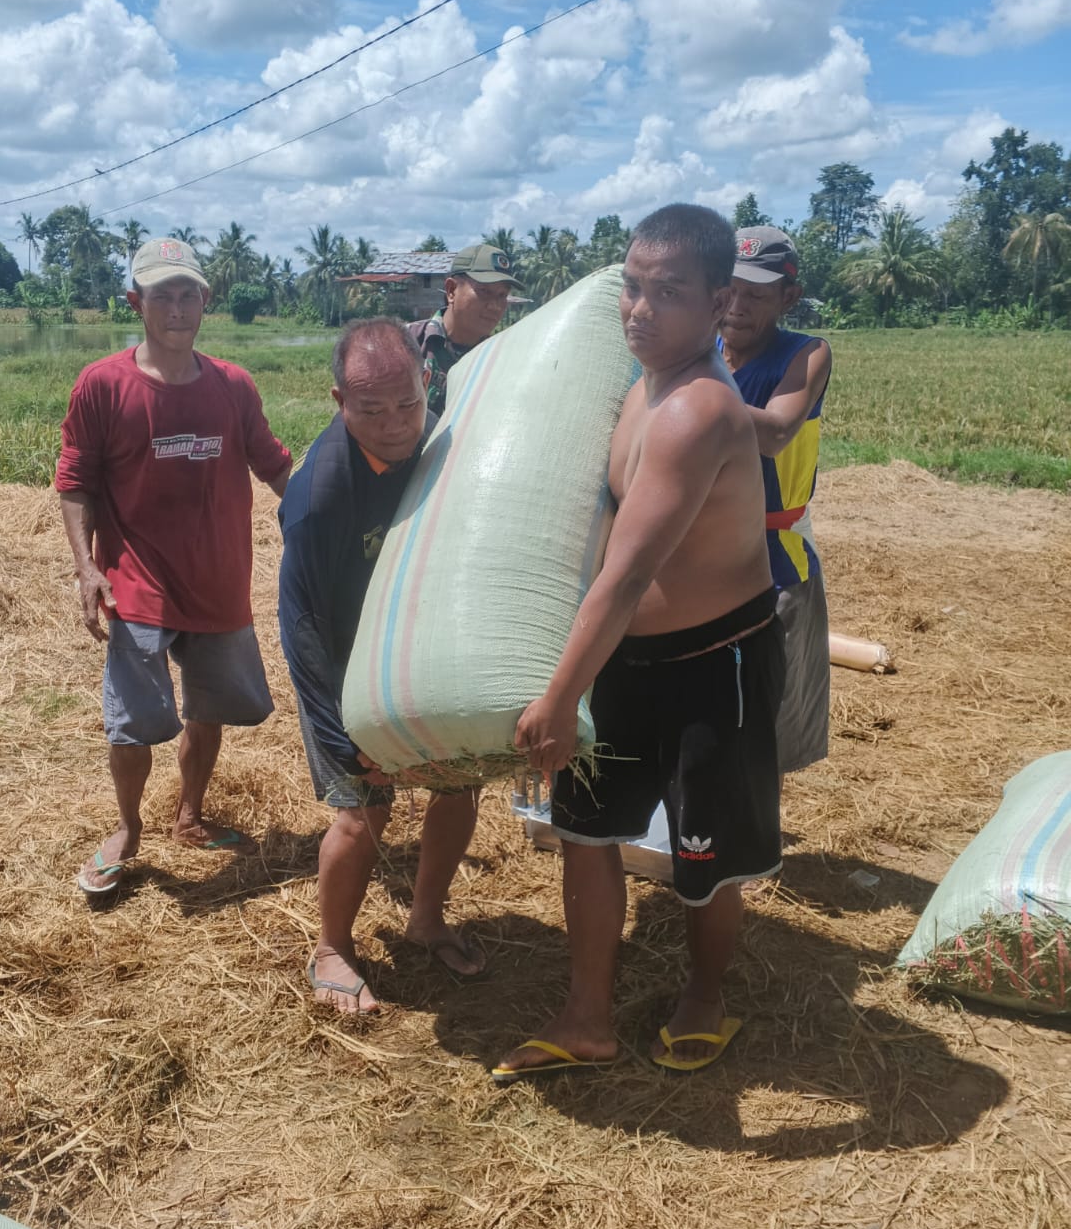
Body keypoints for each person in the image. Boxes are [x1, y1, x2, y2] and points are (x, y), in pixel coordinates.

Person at [495, 204, 784, 1083]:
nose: (640, 310)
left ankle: (705, 995)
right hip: (627, 659)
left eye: (669, 293)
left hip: (716, 664)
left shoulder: (700, 412)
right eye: (632, 287)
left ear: (719, 301)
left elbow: (625, 575)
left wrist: (557, 697)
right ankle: (588, 1018)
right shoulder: (639, 389)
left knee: (705, 853)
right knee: (585, 831)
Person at [56, 237, 292, 900]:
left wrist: (326, 523)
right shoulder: (103, 385)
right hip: (136, 584)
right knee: (132, 724)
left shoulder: (232, 385)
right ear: (136, 302)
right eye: (163, 295)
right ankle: (128, 830)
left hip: (219, 582)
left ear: (205, 301)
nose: (178, 308)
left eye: (189, 294)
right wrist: (86, 569)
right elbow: (75, 481)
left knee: (208, 708)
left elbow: (275, 465)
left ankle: (190, 815)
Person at [278, 318, 485, 1013]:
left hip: (417, 637)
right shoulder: (320, 497)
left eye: (407, 403)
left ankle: (427, 919)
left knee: (458, 783)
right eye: (371, 410)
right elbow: (303, 625)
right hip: (340, 655)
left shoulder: (441, 440)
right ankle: (332, 948)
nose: (395, 424)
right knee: (364, 806)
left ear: (427, 382)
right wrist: (343, 736)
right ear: (339, 401)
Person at [722, 227, 832, 776]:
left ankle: (754, 820)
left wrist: (681, 392)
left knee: (766, 725)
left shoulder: (805, 354)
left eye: (756, 294)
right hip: (699, 556)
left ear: (789, 297)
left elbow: (777, 432)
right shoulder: (699, 352)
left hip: (773, 561)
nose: (737, 306)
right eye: (729, 289)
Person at [407, 243, 523, 416]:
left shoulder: (502, 359)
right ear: (451, 290)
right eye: (484, 291)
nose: (495, 306)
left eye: (502, 295)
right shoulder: (405, 343)